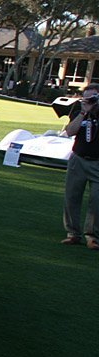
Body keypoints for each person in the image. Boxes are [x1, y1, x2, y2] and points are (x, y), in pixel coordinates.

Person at [61, 84, 99, 250]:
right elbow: (70, 131)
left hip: (97, 162)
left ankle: (93, 236)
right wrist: (84, 112)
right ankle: (73, 234)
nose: (90, 101)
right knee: (72, 197)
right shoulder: (80, 113)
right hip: (78, 159)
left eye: (94, 98)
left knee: (96, 201)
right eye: (87, 97)